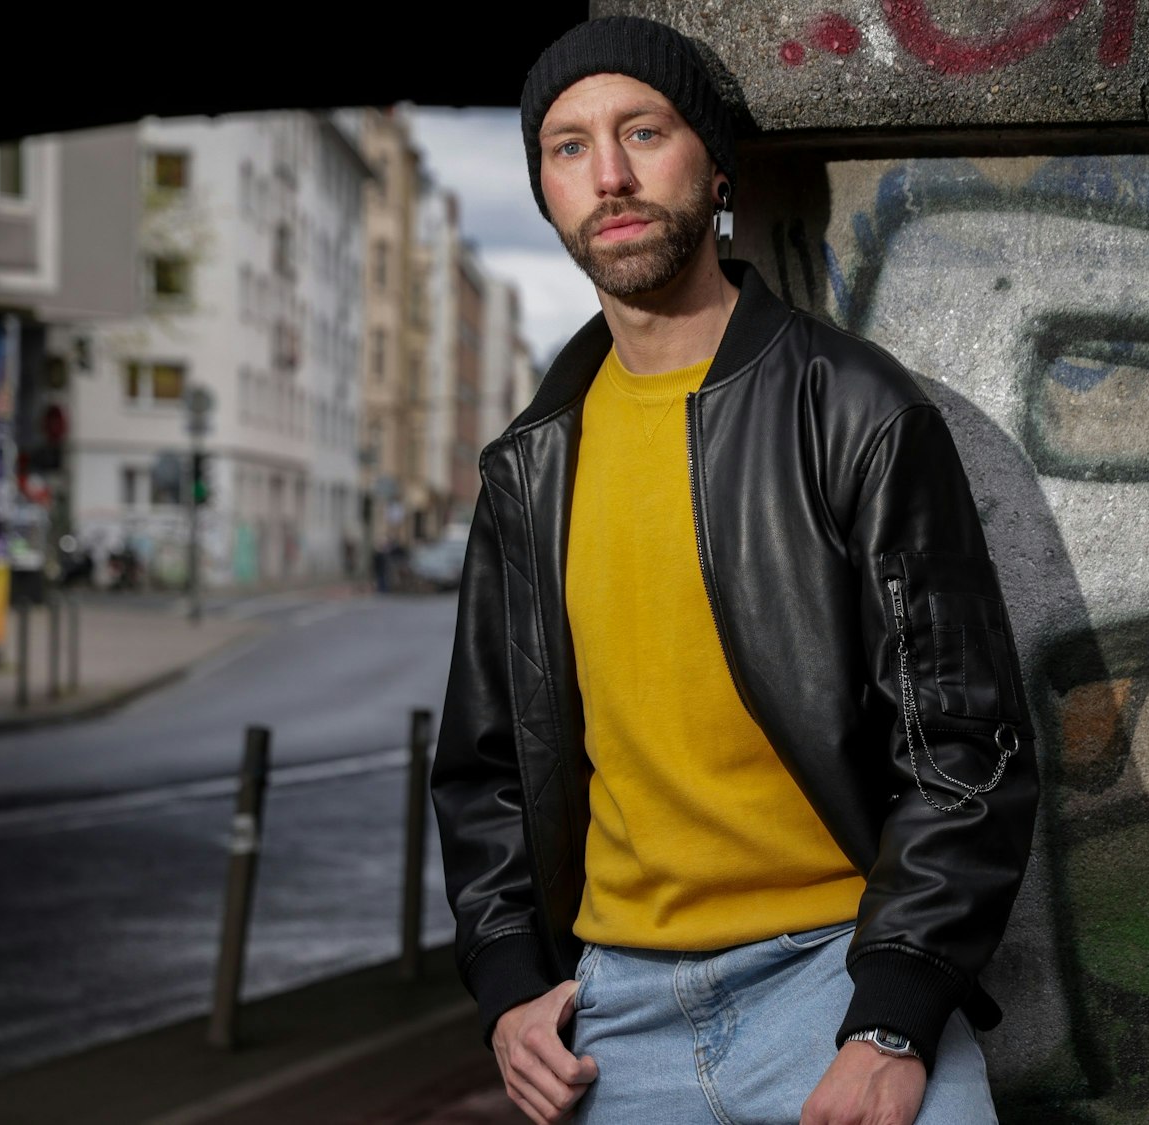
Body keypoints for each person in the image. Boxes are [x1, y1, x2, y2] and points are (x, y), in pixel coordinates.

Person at [431, 17, 1038, 1125]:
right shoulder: (529, 464)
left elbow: (962, 741)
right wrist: (509, 989)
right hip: (612, 1024)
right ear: (543, 190)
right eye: (567, 148)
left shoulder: (852, 407)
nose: (607, 175)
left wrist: (894, 1015)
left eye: (642, 132)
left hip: (838, 989)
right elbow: (482, 770)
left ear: (712, 167)